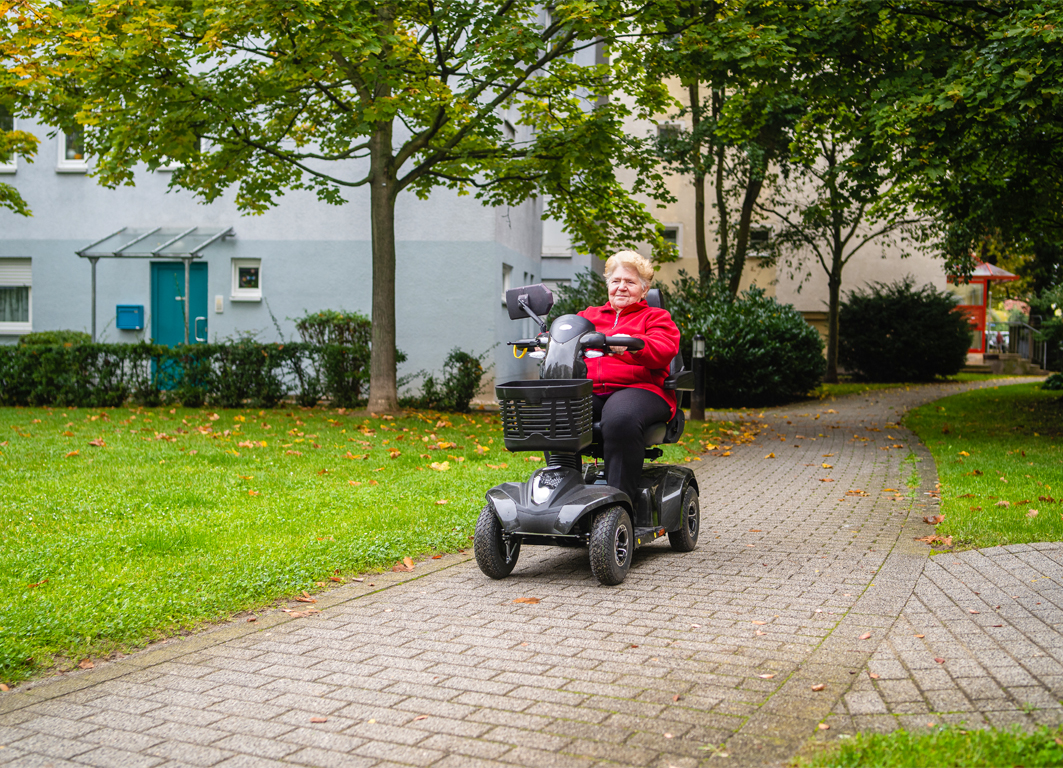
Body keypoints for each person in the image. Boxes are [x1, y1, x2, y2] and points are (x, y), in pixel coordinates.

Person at [577, 250, 681, 503]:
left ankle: (619, 503)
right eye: (616, 281)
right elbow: (566, 336)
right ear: (608, 286)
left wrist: (632, 345)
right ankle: (567, 491)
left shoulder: (656, 317)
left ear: (644, 290)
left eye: (630, 282)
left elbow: (664, 349)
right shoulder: (588, 316)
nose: (621, 287)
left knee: (620, 417)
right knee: (560, 412)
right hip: (593, 389)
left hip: (643, 389)